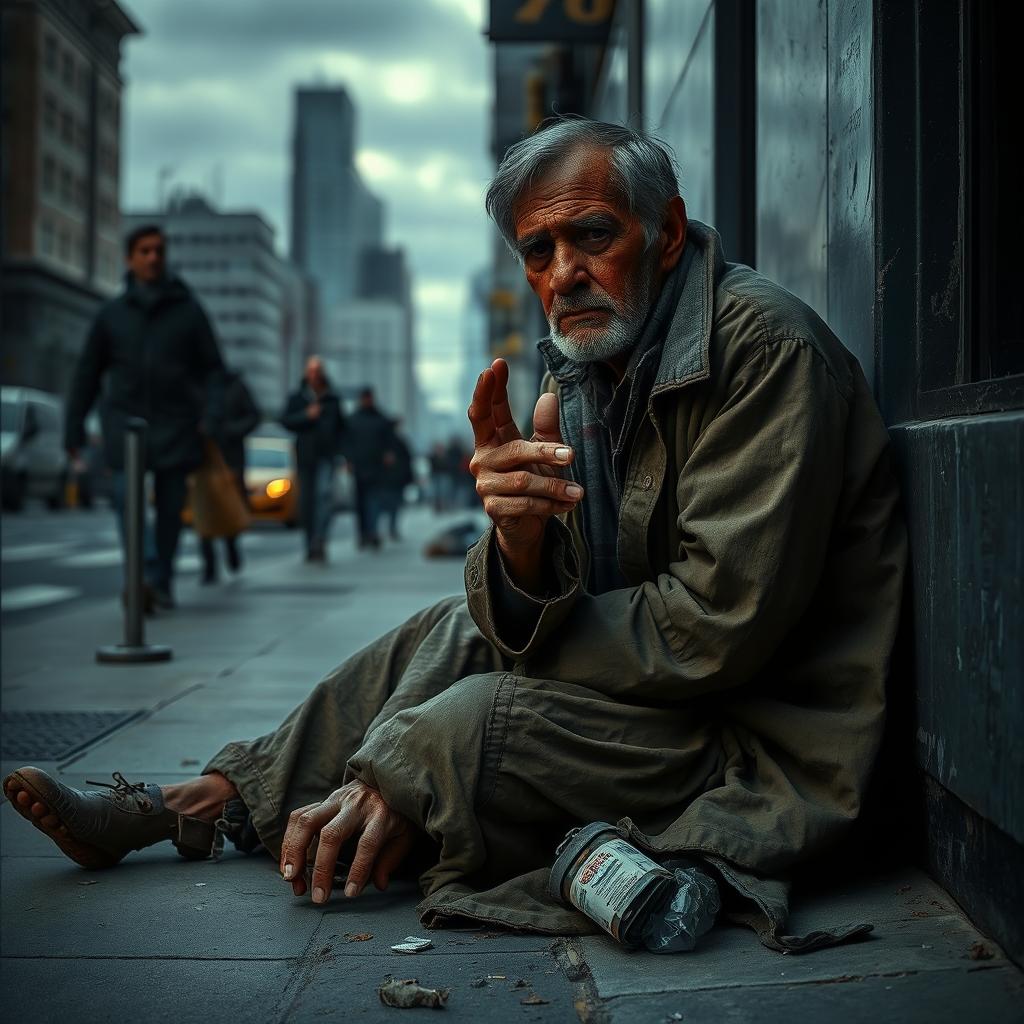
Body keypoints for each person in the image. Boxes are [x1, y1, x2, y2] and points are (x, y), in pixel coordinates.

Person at [5, 118, 906, 954]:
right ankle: (197, 803)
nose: (564, 273)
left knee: (465, 720)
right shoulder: (595, 367)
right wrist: (517, 545)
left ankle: (377, 790)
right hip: (664, 702)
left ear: (665, 234)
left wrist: (418, 741)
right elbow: (575, 583)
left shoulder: (763, 351)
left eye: (593, 235)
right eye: (538, 251)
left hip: (755, 746)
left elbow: (716, 630)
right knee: (451, 628)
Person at [64, 224, 225, 609]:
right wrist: (73, 435)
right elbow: (87, 374)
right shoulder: (112, 314)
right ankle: (145, 575)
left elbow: (215, 370)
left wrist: (210, 417)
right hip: (125, 424)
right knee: (127, 500)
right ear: (129, 259)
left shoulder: (188, 310)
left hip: (177, 425)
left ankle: (162, 580)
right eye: (145, 251)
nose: (153, 257)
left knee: (170, 510)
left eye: (159, 251)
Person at [281, 357, 345, 563]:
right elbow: (286, 420)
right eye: (311, 371)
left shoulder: (332, 400)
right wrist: (306, 416)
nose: (314, 375)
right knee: (307, 502)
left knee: (324, 499)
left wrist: (343, 454)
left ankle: (320, 538)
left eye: (318, 370)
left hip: (327, 457)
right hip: (305, 457)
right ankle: (310, 543)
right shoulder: (297, 398)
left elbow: (342, 428)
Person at [200, 369, 261, 584]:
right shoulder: (197, 382)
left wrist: (231, 431)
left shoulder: (235, 386)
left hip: (230, 456)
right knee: (203, 508)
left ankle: (231, 543)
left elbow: (253, 416)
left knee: (229, 504)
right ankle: (208, 564)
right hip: (203, 456)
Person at [344, 387, 393, 549]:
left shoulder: (380, 419)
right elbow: (347, 443)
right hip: (359, 468)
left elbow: (389, 441)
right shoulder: (353, 419)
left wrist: (388, 454)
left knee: (373, 502)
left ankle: (371, 532)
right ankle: (364, 534)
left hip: (376, 469)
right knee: (360, 505)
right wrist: (349, 460)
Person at [379, 419, 413, 541]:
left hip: (393, 480)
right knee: (392, 506)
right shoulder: (396, 442)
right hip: (392, 480)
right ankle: (391, 529)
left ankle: (389, 529)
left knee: (390, 506)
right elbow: (407, 460)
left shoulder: (387, 442)